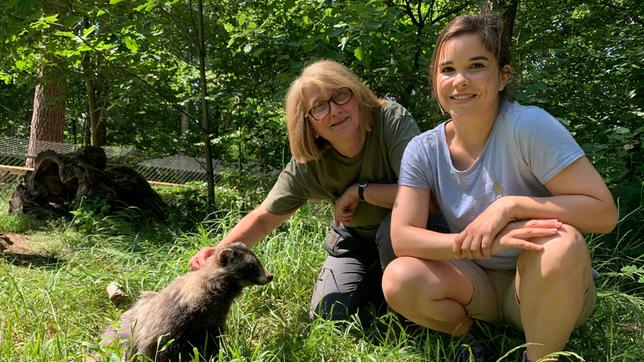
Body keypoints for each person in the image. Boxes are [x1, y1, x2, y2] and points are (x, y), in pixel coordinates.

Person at [381, 13, 618, 362]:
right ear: (435, 80)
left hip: (548, 282)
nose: (460, 80)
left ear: (503, 76)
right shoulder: (423, 149)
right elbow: (403, 238)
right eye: (447, 70)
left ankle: (538, 356)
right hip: (478, 286)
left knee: (560, 243)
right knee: (399, 278)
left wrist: (511, 207)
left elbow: (604, 212)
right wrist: (474, 245)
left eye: (476, 65)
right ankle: (472, 338)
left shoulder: (528, 127)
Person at [189, 59, 421, 323]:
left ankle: (408, 313)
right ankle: (380, 284)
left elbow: (423, 195)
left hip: (407, 231)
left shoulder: (391, 120)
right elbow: (265, 217)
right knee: (328, 317)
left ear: (356, 96)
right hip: (354, 240)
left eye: (341, 95)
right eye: (319, 106)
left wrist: (360, 191)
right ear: (309, 123)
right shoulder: (309, 164)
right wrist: (216, 255)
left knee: (391, 233)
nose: (334, 110)